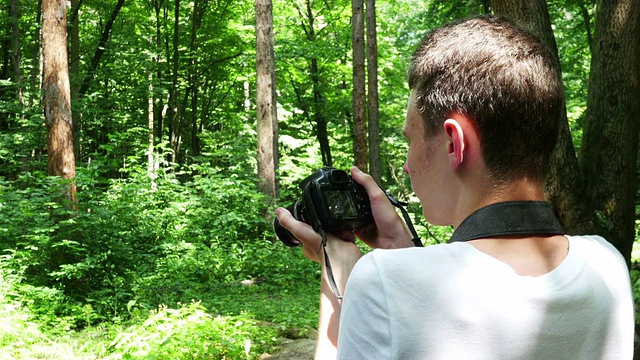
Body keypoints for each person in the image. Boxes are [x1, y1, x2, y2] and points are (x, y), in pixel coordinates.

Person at [275, 15, 634, 359]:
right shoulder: (606, 263)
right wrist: (406, 252)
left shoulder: (381, 282)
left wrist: (338, 281)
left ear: (453, 143)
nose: (407, 164)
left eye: (411, 140)